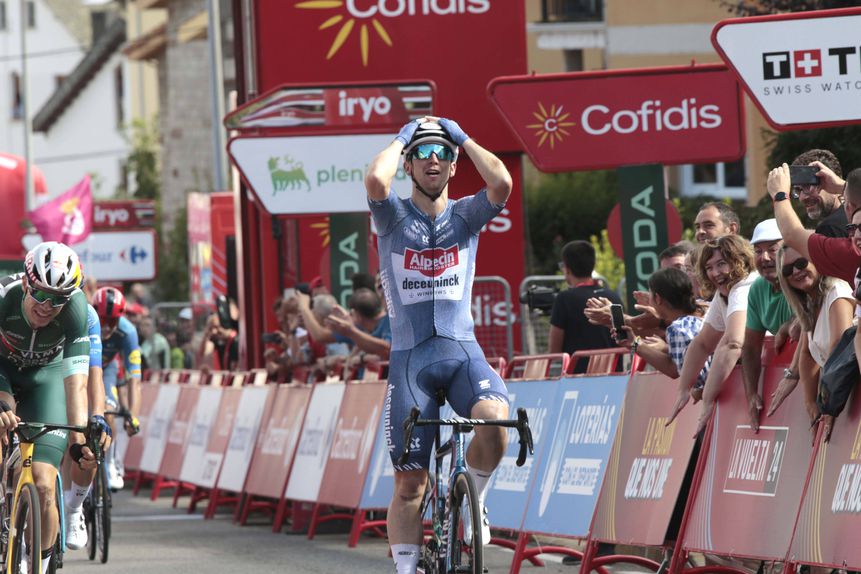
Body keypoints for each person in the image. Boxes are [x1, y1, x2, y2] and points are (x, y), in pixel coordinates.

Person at [365, 116, 512, 574]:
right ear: (408, 166)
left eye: (443, 153)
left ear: (453, 166)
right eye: (423, 154)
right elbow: (376, 180)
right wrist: (404, 137)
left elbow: (502, 182)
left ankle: (476, 499)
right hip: (412, 363)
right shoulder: (392, 216)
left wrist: (461, 136)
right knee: (410, 486)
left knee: (496, 421)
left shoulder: (466, 215)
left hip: (461, 351)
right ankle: (407, 569)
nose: (434, 159)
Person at [0, 242, 111, 573]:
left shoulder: (77, 310)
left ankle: (39, 562)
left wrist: (79, 442)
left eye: (58, 299)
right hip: (3, 373)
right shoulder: (4, 297)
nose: (47, 306)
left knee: (45, 483)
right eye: (40, 294)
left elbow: (76, 383)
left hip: (45, 379)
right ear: (26, 283)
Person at [668, 234, 758, 435]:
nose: (716, 273)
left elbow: (733, 343)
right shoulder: (724, 293)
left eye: (722, 264)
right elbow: (703, 343)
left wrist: (707, 399)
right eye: (709, 267)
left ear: (740, 260)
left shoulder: (744, 287)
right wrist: (683, 389)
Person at [768, 246, 854, 438]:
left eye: (801, 263)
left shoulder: (836, 291)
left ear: (817, 259)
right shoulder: (810, 302)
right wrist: (811, 405)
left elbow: (838, 348)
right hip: (842, 393)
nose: (796, 271)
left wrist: (827, 403)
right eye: (787, 270)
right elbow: (807, 355)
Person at [62, 300, 110, 550]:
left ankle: (74, 507)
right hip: (37, 372)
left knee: (83, 439)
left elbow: (95, 374)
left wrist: (98, 415)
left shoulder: (87, 315)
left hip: (76, 372)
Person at [740, 219, 795, 433]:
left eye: (773, 249)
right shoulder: (757, 289)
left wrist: (790, 325)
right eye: (757, 251)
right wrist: (751, 395)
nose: (764, 258)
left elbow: (816, 320)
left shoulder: (802, 277)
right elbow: (751, 347)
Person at [615, 267, 709, 388]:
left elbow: (674, 370)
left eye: (650, 295)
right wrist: (634, 343)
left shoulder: (677, 329)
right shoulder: (706, 314)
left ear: (658, 299)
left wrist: (634, 344)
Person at [93, 286, 142, 490]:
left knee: (108, 411)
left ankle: (111, 462)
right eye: (102, 320)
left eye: (112, 322)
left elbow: (134, 380)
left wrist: (133, 417)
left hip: (108, 369)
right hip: (84, 369)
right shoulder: (85, 323)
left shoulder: (128, 332)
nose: (106, 327)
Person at [548, 240, 622, 373]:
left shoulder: (564, 299)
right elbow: (624, 339)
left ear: (567, 268)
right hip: (615, 376)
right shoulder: (613, 297)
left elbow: (554, 351)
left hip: (578, 378)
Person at [791, 149, 846, 238]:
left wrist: (780, 197)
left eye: (808, 187)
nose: (802, 198)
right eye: (797, 190)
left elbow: (791, 237)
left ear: (832, 180)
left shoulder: (830, 228)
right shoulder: (854, 216)